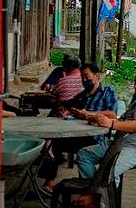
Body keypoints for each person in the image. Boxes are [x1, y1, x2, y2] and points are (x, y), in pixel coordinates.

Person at [73, 69, 136, 208]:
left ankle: (96, 200)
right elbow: (121, 120)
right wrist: (99, 119)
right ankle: (92, 194)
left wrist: (111, 124)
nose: (135, 87)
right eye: (134, 83)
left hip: (135, 149)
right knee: (84, 154)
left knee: (110, 169)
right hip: (118, 143)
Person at [41, 63, 118, 191]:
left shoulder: (107, 92)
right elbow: (70, 106)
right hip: (79, 134)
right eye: (81, 77)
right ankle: (49, 182)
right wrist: (67, 112)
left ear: (96, 76)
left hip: (96, 137)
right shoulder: (83, 95)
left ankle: (89, 189)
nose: (84, 80)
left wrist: (88, 114)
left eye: (86, 76)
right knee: (52, 143)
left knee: (56, 144)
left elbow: (113, 114)